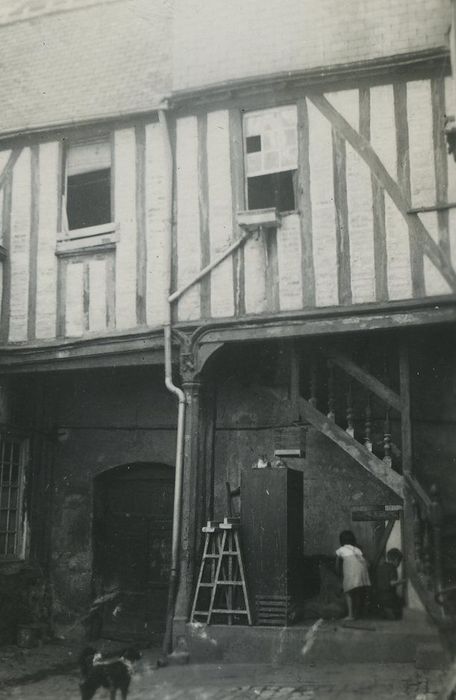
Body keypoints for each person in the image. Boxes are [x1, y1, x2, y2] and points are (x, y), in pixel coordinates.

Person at [335, 530, 371, 620]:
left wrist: (338, 572)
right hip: (363, 571)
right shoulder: (357, 549)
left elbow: (337, 564)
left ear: (341, 541)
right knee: (358, 592)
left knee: (348, 592)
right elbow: (364, 560)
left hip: (352, 572)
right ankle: (358, 613)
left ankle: (351, 615)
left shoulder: (341, 550)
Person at [374, 548, 404, 620]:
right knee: (400, 606)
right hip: (389, 597)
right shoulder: (393, 568)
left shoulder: (381, 566)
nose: (399, 564)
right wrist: (402, 581)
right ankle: (389, 613)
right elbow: (392, 583)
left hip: (378, 595)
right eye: (399, 562)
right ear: (396, 560)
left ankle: (384, 612)